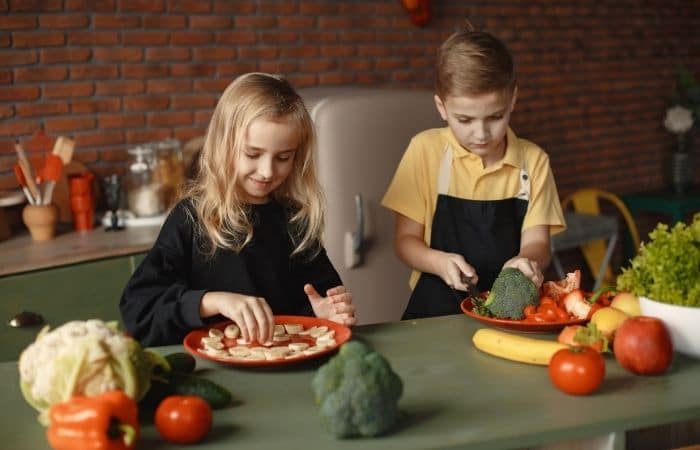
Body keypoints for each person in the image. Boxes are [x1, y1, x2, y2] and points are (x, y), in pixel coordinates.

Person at [120, 73, 356, 346]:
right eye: (252, 154)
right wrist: (211, 301)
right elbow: (139, 311)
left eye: (283, 157)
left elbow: (318, 309)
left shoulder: (296, 221)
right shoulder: (190, 218)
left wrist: (325, 314)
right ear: (224, 144)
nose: (267, 171)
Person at [381, 28, 566, 320]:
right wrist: (438, 262)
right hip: (435, 311)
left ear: (513, 101)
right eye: (465, 120)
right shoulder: (424, 151)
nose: (481, 134)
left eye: (495, 117)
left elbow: (539, 243)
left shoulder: (534, 161)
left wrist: (525, 260)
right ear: (441, 107)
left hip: (512, 313)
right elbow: (405, 241)